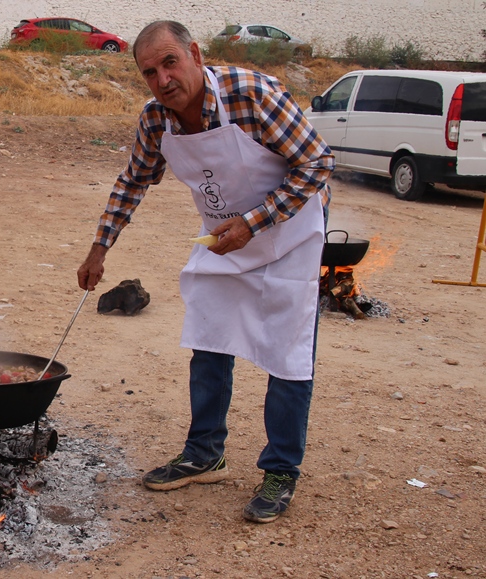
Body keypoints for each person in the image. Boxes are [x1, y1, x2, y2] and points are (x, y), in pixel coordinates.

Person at [77, 20, 333, 523]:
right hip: (225, 239)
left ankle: (280, 469)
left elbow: (316, 163)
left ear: (194, 54)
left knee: (287, 352)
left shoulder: (251, 94)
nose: (163, 79)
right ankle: (204, 452)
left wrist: (255, 222)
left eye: (170, 62)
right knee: (210, 339)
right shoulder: (157, 121)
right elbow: (133, 183)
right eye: (149, 72)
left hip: (290, 232)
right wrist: (98, 249)